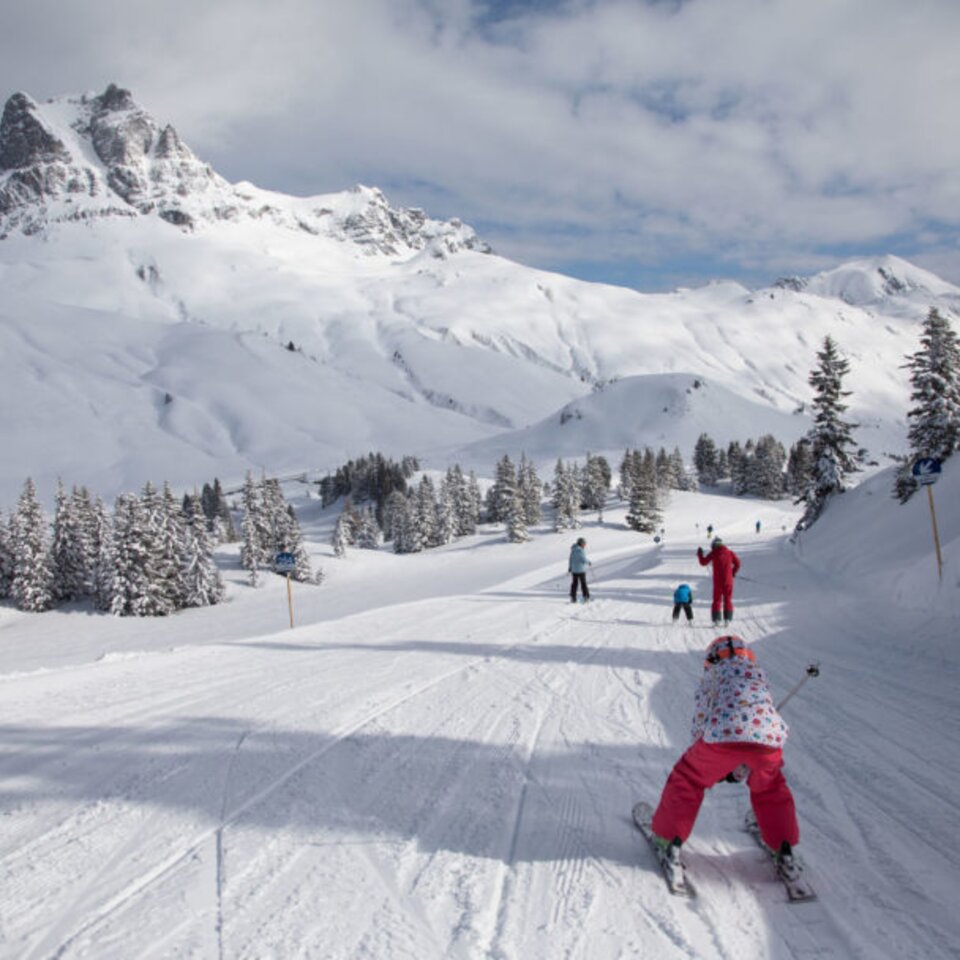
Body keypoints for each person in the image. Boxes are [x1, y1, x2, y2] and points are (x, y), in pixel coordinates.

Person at [649, 635, 799, 866]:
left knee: (688, 778)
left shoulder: (713, 676)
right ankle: (783, 847)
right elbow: (754, 728)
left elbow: (702, 719)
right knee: (770, 787)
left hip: (722, 738)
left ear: (711, 659)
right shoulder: (758, 676)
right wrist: (739, 767)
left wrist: (705, 758)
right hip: (768, 741)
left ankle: (667, 838)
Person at [697, 536, 740, 626]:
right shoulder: (729, 553)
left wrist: (700, 554)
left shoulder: (714, 553)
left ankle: (716, 620)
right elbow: (738, 563)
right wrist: (733, 572)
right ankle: (727, 619)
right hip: (728, 581)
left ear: (714, 545)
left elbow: (703, 562)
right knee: (728, 599)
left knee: (717, 600)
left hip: (718, 582)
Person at [568, 537, 591, 603]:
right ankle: (586, 596)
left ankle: (573, 597)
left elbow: (570, 559)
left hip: (574, 570)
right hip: (581, 570)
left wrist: (570, 567)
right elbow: (583, 559)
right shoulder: (580, 550)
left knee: (574, 583)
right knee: (583, 583)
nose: (585, 545)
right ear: (581, 543)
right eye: (584, 543)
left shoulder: (573, 550)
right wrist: (588, 562)